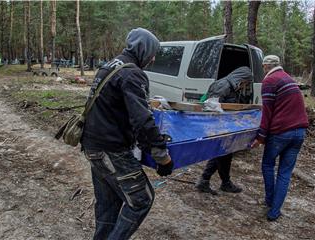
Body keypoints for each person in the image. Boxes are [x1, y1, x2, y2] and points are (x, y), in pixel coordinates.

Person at [80, 28, 173, 240]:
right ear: (144, 50)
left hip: (93, 146)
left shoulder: (109, 66)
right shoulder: (132, 73)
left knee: (109, 205)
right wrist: (162, 157)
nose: (153, 58)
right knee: (142, 199)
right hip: (111, 150)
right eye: (152, 53)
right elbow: (142, 120)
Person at [251, 55, 308, 221]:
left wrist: (260, 137)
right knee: (285, 173)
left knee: (268, 164)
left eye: (263, 67)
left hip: (282, 133)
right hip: (299, 132)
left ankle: (269, 200)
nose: (263, 70)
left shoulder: (270, 81)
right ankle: (274, 211)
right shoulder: (288, 78)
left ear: (267, 66)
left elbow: (267, 112)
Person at [195, 66, 253, 195]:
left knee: (225, 153)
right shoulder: (223, 85)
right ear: (240, 78)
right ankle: (206, 181)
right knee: (221, 152)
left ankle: (223, 182)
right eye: (245, 82)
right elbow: (211, 106)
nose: (245, 86)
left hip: (227, 126)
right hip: (218, 126)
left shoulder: (233, 87)